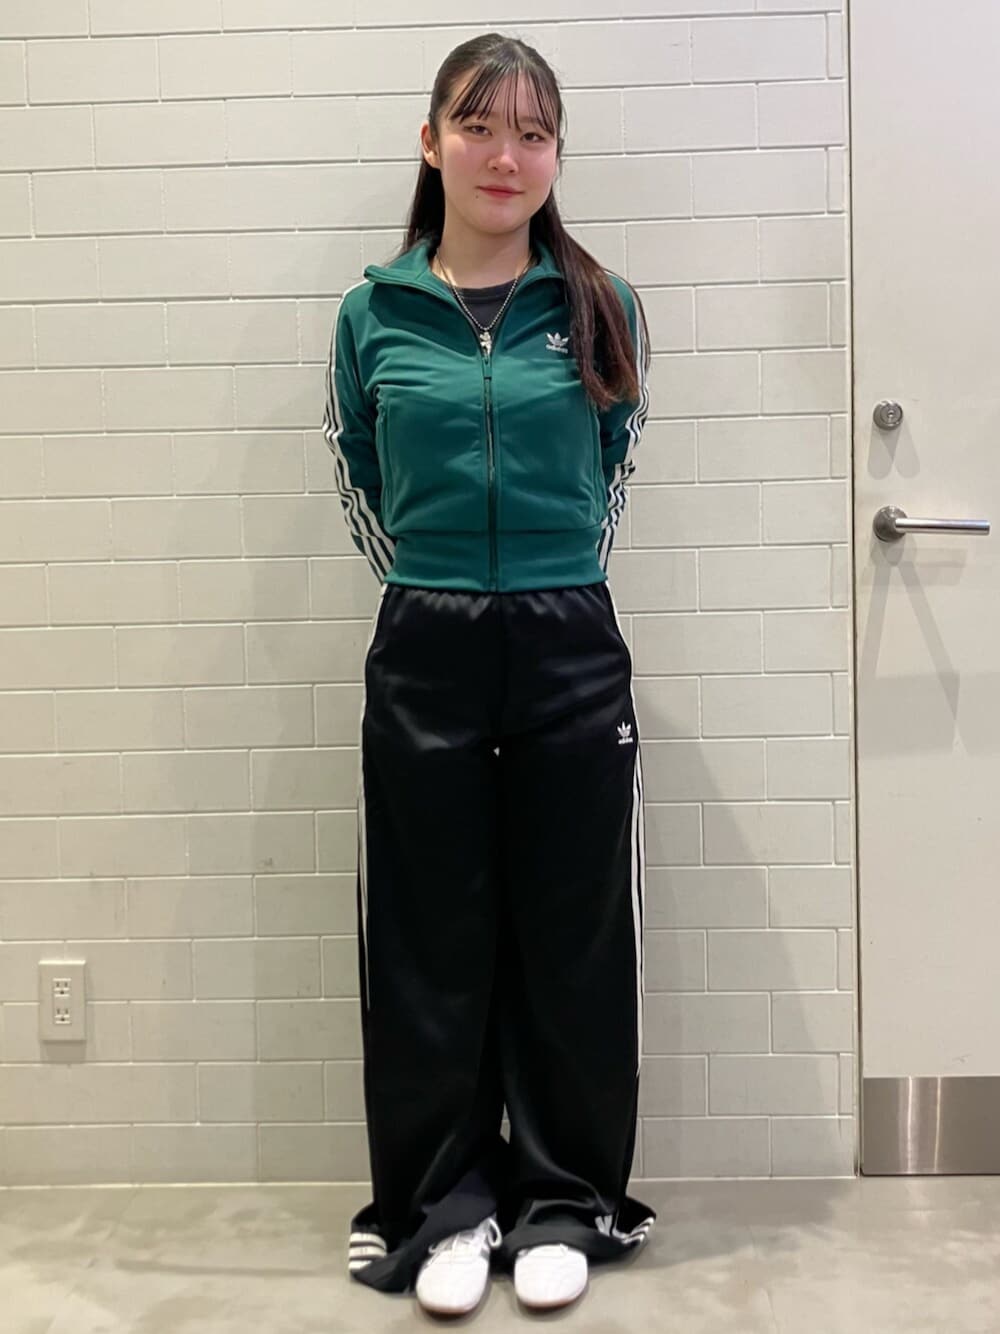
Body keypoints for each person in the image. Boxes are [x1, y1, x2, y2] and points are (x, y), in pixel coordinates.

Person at [322, 31, 654, 1317]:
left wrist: (546, 586)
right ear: (431, 143)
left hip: (569, 637)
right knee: (429, 935)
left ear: (555, 154)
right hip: (427, 638)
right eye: (477, 125)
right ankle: (443, 1208)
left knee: (573, 931)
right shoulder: (372, 313)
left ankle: (567, 1197)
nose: (504, 155)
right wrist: (441, 586)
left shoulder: (601, 303)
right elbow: (359, 476)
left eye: (531, 132)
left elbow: (612, 471)